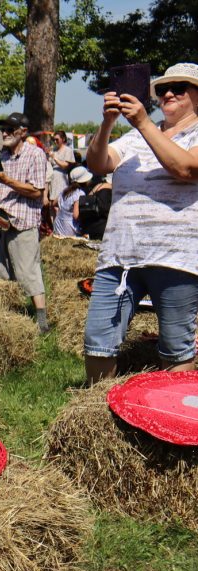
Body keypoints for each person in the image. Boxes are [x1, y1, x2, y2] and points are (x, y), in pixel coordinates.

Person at [83, 61, 198, 383]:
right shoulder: (134, 137)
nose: (168, 94)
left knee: (176, 349)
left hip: (177, 258)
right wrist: (107, 123)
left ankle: (172, 419)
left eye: (179, 88)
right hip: (120, 256)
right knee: (98, 344)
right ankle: (98, 415)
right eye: (162, 89)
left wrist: (144, 122)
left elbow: (186, 169)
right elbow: (98, 163)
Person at [0, 112, 50, 333]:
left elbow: (36, 191)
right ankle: (11, 318)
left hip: (24, 221)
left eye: (9, 130)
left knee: (28, 272)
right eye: (3, 129)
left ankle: (42, 323)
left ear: (22, 132)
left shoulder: (35, 155)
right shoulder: (3, 156)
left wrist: (6, 180)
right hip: (4, 221)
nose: (4, 133)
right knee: (3, 271)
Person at [53, 166, 91, 237]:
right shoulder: (80, 193)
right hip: (69, 228)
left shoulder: (66, 190)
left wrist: (59, 212)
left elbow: (54, 204)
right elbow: (75, 216)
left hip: (58, 225)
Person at [46, 131, 77, 214]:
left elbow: (65, 165)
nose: (55, 141)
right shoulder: (54, 150)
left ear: (63, 139)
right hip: (52, 179)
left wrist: (55, 158)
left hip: (61, 179)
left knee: (59, 203)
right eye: (54, 140)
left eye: (57, 139)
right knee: (52, 205)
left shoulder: (68, 150)